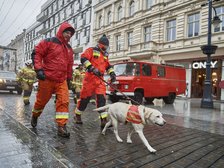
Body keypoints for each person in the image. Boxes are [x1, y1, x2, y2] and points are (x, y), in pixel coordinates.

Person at [31, 22, 75, 138]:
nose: (69, 35)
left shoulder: (69, 49)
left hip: (61, 80)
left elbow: (69, 65)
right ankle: (35, 115)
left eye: (70, 34)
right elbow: (37, 53)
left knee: (64, 101)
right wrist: (39, 69)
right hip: (47, 78)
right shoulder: (49, 41)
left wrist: (69, 78)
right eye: (67, 32)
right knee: (41, 101)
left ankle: (62, 126)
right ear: (61, 31)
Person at [74, 34, 116, 128]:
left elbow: (108, 66)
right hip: (90, 79)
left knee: (101, 99)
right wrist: (91, 68)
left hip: (99, 80)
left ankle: (103, 120)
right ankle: (77, 115)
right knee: (84, 100)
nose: (107, 48)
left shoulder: (105, 55)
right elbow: (83, 58)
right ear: (102, 45)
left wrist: (112, 74)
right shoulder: (91, 50)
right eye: (106, 46)